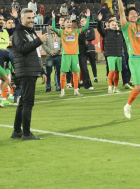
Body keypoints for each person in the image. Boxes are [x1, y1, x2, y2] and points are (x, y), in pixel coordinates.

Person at [10, 8, 47, 141]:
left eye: (33, 18)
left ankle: (17, 131)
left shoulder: (29, 33)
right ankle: (26, 133)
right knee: (28, 102)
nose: (32, 20)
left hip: (31, 70)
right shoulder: (18, 33)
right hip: (26, 71)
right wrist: (39, 40)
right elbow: (23, 49)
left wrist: (42, 71)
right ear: (22, 19)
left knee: (23, 102)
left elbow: (36, 54)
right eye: (28, 18)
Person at [50, 9, 91, 97]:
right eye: (67, 22)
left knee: (75, 73)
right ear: (64, 24)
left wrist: (88, 17)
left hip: (75, 55)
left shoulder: (76, 31)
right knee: (64, 73)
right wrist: (53, 19)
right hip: (66, 55)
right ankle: (62, 91)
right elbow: (53, 28)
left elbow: (86, 27)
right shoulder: (62, 32)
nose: (69, 23)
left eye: (70, 22)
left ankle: (76, 90)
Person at [97, 13, 124, 94]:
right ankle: (109, 88)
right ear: (108, 25)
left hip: (118, 54)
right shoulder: (105, 32)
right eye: (112, 24)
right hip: (110, 55)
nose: (114, 25)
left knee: (117, 72)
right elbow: (99, 28)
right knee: (111, 71)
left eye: (115, 24)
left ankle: (115, 88)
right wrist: (99, 20)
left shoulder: (120, 32)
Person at [42, 25, 62, 92]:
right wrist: (50, 52)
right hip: (49, 56)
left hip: (58, 55)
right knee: (48, 72)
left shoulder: (59, 35)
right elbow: (44, 45)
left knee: (58, 72)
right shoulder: (47, 35)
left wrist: (61, 50)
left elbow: (62, 43)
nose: (51, 29)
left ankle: (58, 86)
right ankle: (48, 86)